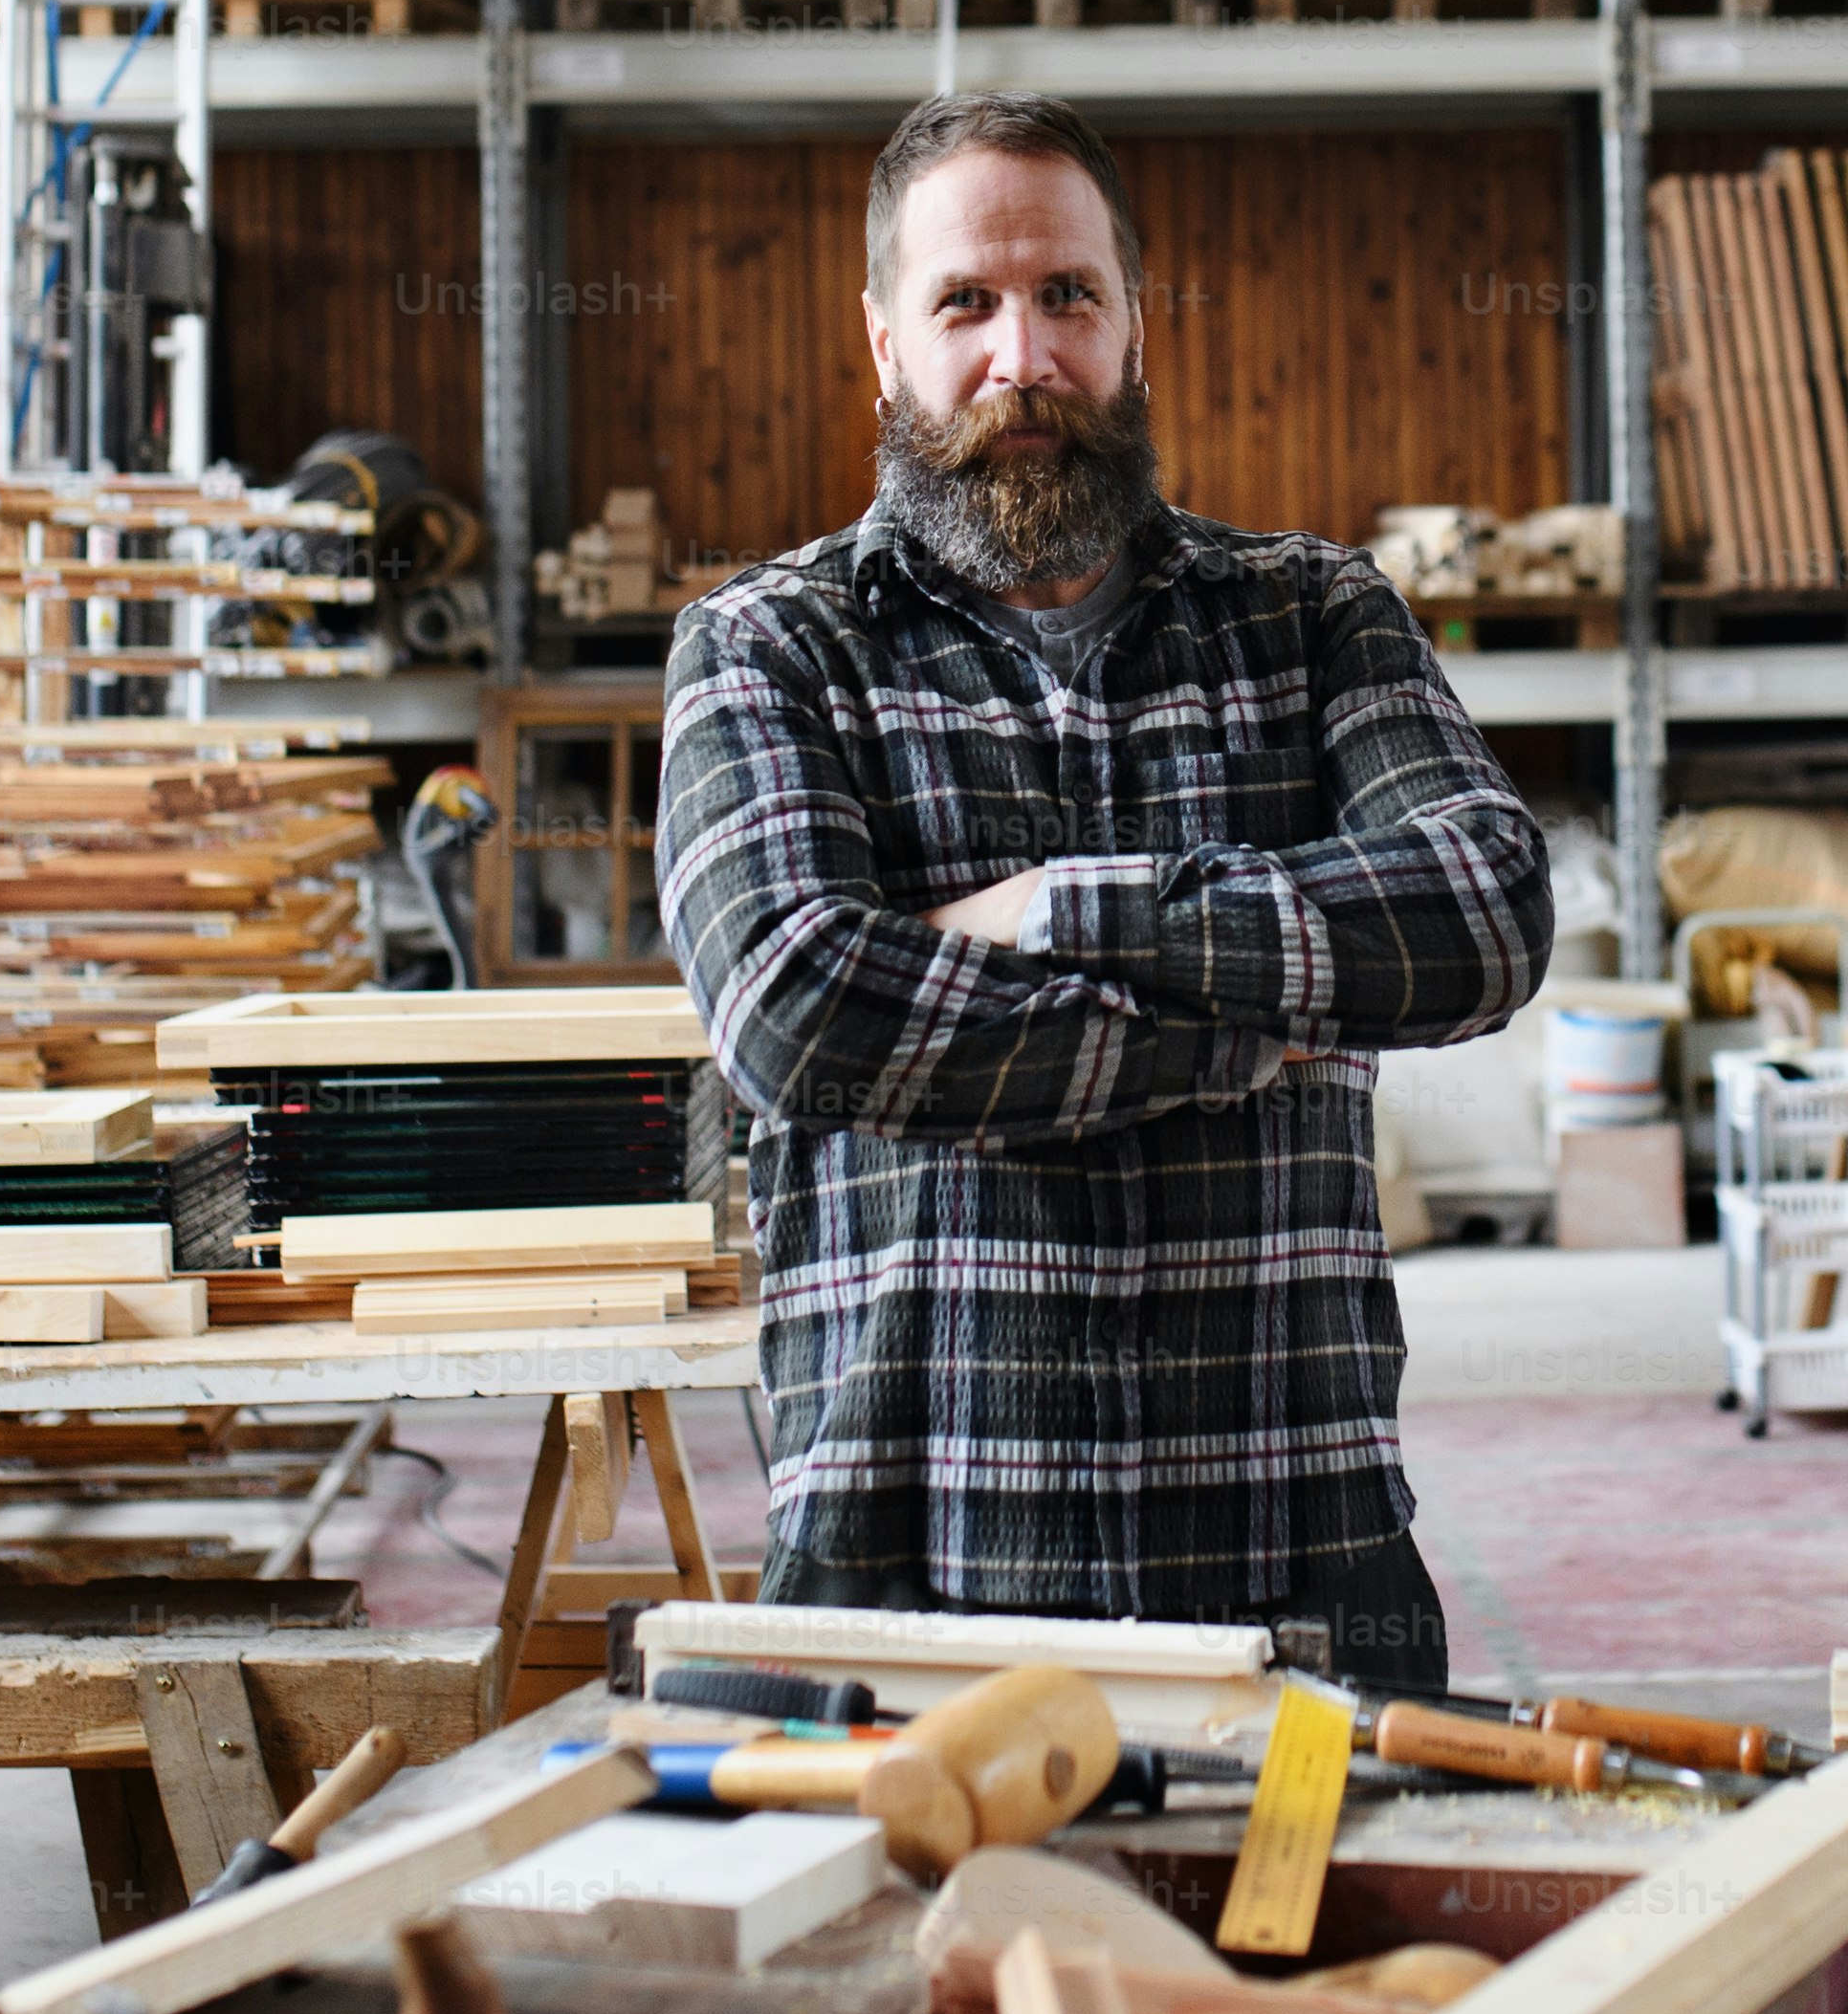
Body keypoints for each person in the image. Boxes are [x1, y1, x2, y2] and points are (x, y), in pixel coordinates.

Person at [656, 91, 1551, 1686]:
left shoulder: (1313, 615)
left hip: (1300, 1544)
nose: (1024, 358)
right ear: (882, 344)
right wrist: (1236, 1030)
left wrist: (1062, 909)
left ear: (1135, 327)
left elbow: (1481, 914)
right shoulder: (770, 648)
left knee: (1329, 1944)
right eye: (966, 305)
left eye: (1069, 296)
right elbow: (799, 1013)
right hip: (909, 1551)